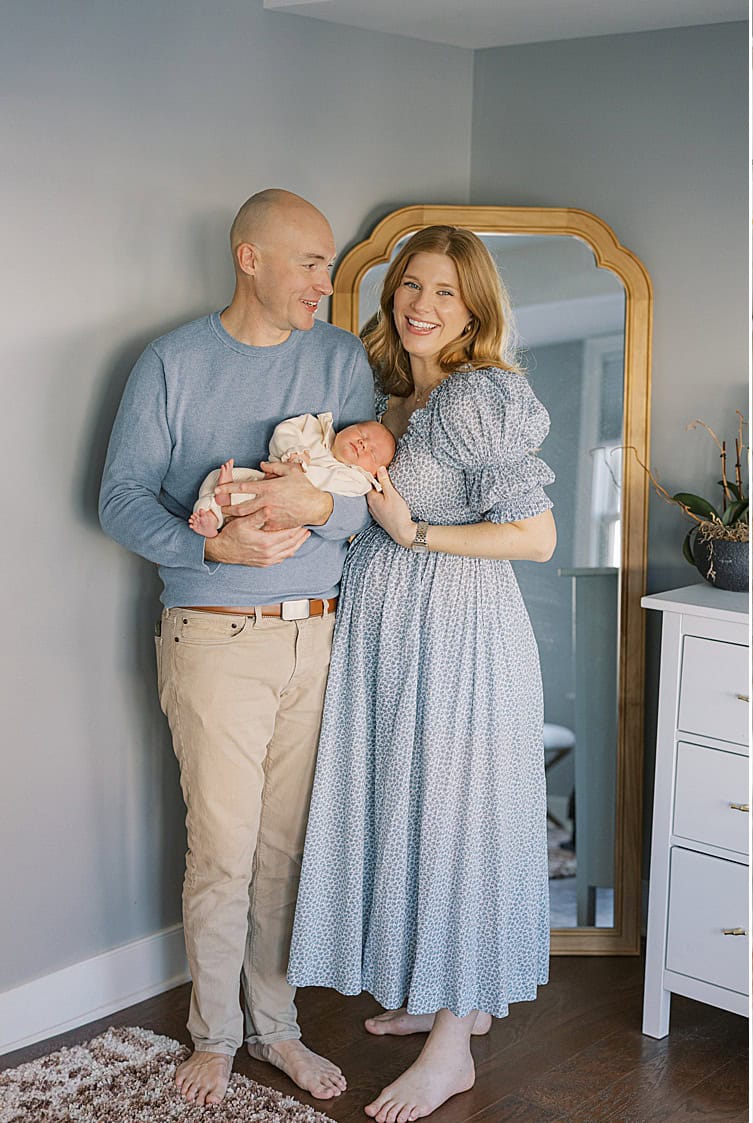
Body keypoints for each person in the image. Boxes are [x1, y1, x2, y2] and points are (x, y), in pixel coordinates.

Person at [99, 188, 373, 1106]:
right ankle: (214, 1036)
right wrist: (210, 542)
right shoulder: (173, 362)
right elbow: (121, 498)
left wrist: (315, 506)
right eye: (309, 263)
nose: (326, 286)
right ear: (249, 257)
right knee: (223, 849)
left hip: (320, 635)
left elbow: (366, 502)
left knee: (286, 850)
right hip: (215, 639)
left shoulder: (340, 360)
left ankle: (278, 1029)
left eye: (330, 265)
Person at [287, 224, 556, 1123]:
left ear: (475, 306)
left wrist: (417, 533)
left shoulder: (482, 396)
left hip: (460, 638)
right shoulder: (393, 396)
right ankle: (445, 993)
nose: (420, 305)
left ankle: (454, 1051)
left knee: (453, 825)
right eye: (410, 285)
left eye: (443, 291)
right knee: (407, 811)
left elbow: (538, 535)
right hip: (390, 635)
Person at [189, 413, 395, 537]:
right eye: (362, 433)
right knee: (216, 478)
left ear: (374, 473)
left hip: (284, 509)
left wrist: (301, 472)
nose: (363, 444)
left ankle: (219, 515)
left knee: (259, 518)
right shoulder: (315, 428)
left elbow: (325, 483)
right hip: (262, 479)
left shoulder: (356, 480)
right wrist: (293, 450)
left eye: (372, 453)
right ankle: (211, 516)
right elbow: (285, 430)